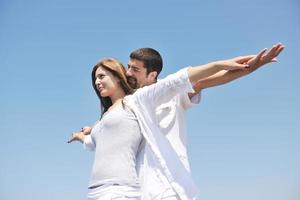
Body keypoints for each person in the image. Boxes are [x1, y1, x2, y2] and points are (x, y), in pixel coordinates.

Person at [68, 43, 284, 200]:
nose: (128, 72)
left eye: (135, 69)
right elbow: (112, 123)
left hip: (169, 180)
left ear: (152, 74)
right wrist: (89, 130)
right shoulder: (130, 102)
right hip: (138, 185)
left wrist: (249, 68)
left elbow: (205, 80)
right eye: (127, 67)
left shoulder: (168, 94)